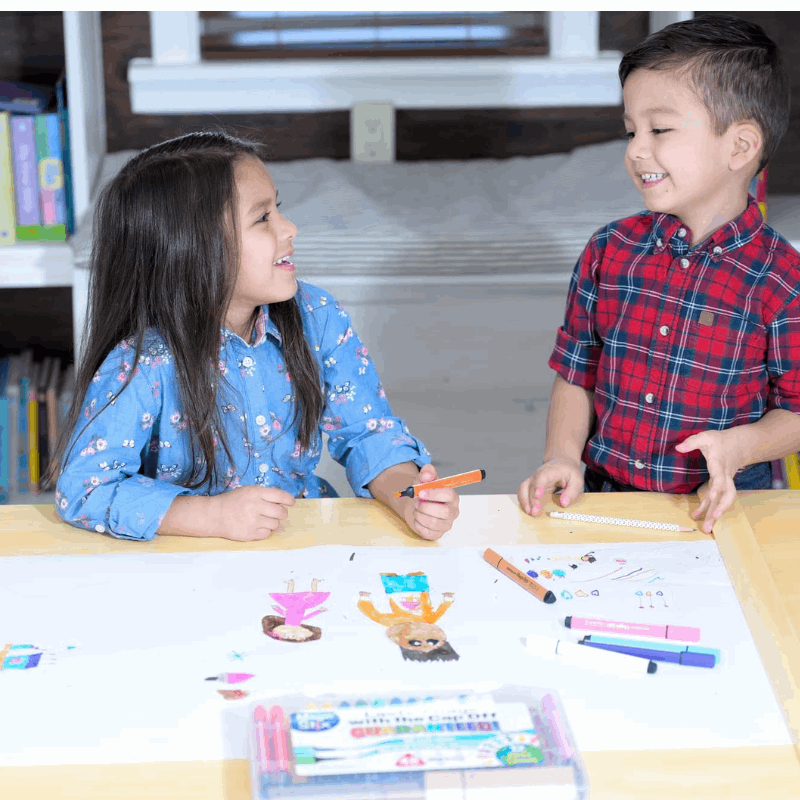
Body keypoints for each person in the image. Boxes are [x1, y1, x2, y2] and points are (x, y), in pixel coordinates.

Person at [49, 131, 460, 542]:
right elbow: (84, 489)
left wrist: (410, 496)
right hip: (187, 567)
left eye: (277, 209)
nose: (290, 228)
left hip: (298, 548)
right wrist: (211, 516)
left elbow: (369, 432)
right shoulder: (143, 362)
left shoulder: (317, 317)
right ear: (193, 249)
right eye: (263, 218)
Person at [518, 14, 800, 533]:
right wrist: (561, 456)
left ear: (739, 147)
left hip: (721, 506)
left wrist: (743, 445)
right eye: (631, 130)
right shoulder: (609, 249)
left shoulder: (783, 279)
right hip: (605, 494)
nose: (635, 150)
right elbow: (575, 372)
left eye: (660, 129)